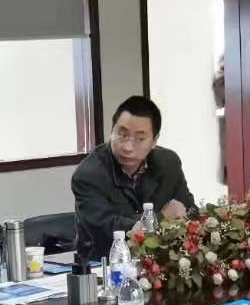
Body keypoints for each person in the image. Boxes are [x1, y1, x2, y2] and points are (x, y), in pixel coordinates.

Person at [72, 95, 196, 259]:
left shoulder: (169, 163)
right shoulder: (88, 175)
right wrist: (161, 218)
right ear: (112, 131)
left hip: (159, 261)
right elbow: (108, 229)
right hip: (105, 263)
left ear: (154, 141)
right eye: (122, 134)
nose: (128, 147)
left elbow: (189, 210)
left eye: (140, 138)